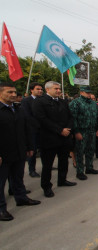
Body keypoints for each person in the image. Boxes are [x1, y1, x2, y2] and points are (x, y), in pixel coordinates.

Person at [0, 83, 41, 221]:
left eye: (14, 92)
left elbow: (26, 129)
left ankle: (21, 198)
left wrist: (29, 147)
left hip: (19, 151)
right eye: (9, 92)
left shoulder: (18, 109)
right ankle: (1, 209)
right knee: (1, 182)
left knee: (18, 177)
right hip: (3, 154)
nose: (13, 94)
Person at [33, 81, 76, 198]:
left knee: (63, 161)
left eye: (59, 89)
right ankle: (46, 187)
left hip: (64, 138)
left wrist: (68, 128)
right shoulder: (39, 102)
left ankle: (62, 180)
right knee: (48, 165)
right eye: (56, 89)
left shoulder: (63, 102)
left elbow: (70, 117)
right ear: (47, 90)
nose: (58, 91)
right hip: (49, 138)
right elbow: (42, 119)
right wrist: (59, 130)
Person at [69, 86, 98, 181]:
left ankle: (89, 168)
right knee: (80, 152)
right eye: (86, 92)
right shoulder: (75, 103)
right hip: (81, 131)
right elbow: (73, 119)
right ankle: (80, 172)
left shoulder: (93, 103)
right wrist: (76, 132)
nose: (89, 94)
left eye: (89, 92)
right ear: (81, 92)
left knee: (91, 150)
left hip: (92, 131)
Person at [21, 82, 44, 178]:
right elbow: (27, 116)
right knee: (33, 151)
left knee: (44, 149)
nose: (40, 91)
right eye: (38, 89)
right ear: (32, 90)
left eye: (41, 89)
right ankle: (32, 170)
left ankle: (46, 165)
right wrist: (38, 124)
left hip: (43, 130)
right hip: (32, 130)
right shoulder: (26, 101)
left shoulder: (43, 100)